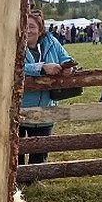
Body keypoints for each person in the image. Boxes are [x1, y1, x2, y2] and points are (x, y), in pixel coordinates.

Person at [21, 9, 75, 164]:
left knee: (41, 147)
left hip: (46, 105)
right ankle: (17, 181)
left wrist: (67, 67)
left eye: (32, 26)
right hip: (20, 105)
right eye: (24, 25)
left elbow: (66, 57)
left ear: (40, 29)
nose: (28, 30)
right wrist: (41, 67)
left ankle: (36, 179)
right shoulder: (14, 44)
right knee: (17, 148)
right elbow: (11, 67)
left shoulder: (51, 42)